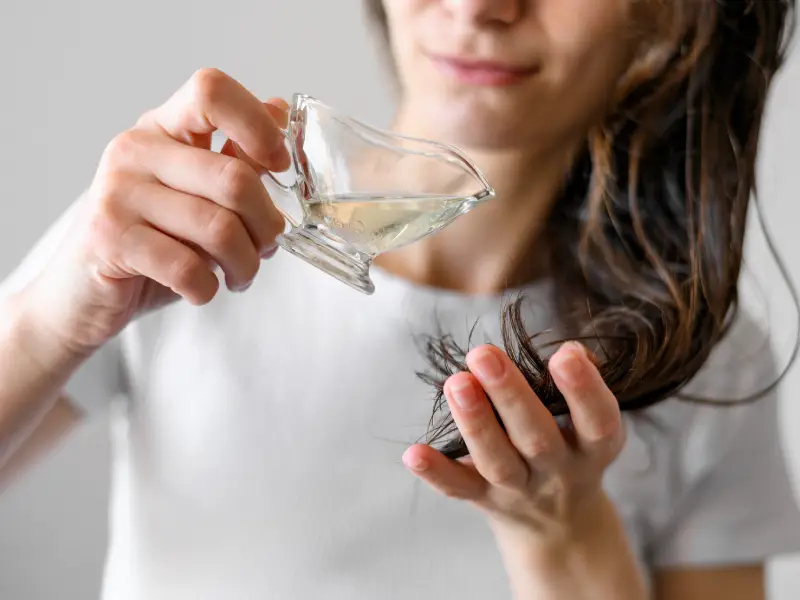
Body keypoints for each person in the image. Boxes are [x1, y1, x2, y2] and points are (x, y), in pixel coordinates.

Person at [0, 0, 798, 598]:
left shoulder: (704, 359)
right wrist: (48, 324)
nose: (480, 7)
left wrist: (564, 537)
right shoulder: (167, 231)